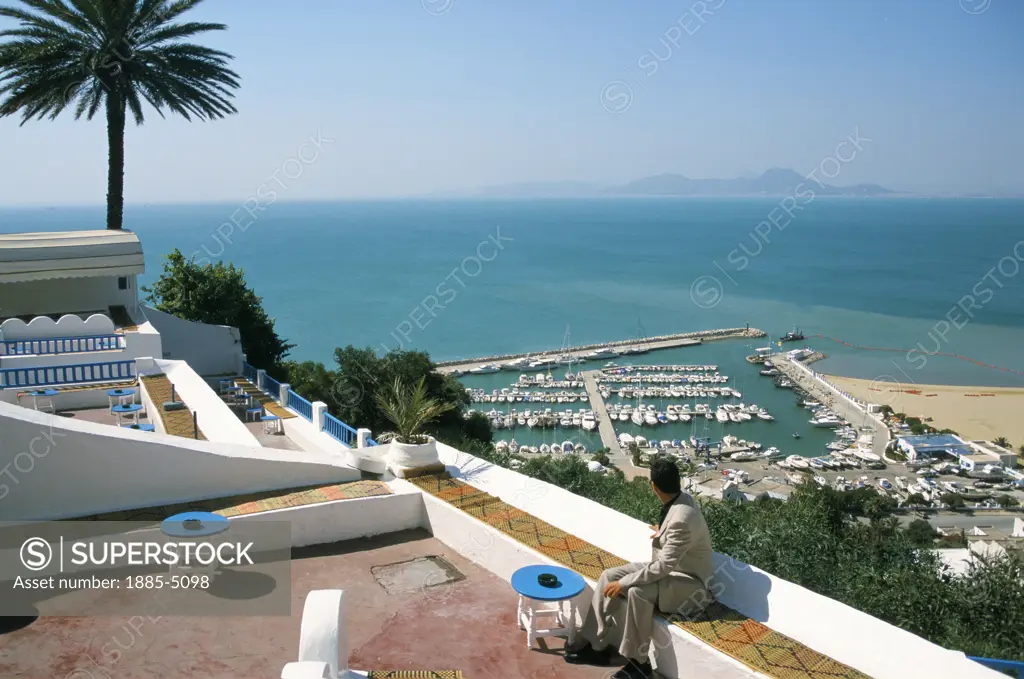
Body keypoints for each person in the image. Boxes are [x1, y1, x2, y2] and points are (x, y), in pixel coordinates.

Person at [564, 458, 715, 679]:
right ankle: (596, 646)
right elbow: (674, 538)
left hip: (691, 585)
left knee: (637, 591)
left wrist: (624, 583)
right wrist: (662, 531)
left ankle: (639, 665)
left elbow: (663, 566)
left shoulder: (681, 518)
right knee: (608, 576)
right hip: (671, 573)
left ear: (653, 486)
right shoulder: (680, 502)